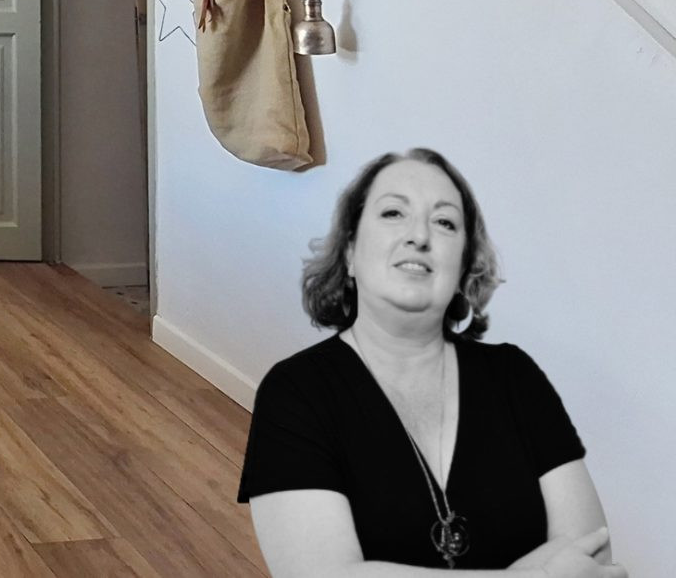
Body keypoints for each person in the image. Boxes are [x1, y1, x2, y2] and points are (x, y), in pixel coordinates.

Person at [238, 148, 621, 576]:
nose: (419, 236)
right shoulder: (295, 391)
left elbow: (593, 557)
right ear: (349, 252)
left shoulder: (515, 376)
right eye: (393, 213)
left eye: (444, 222)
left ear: (463, 265)